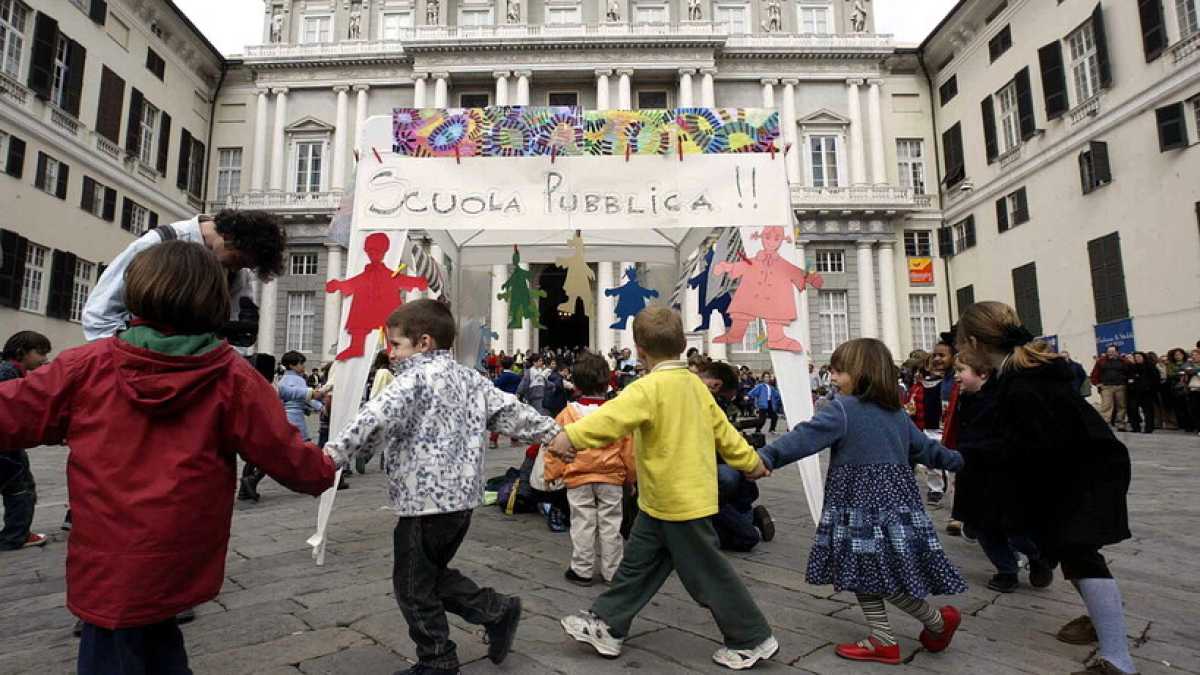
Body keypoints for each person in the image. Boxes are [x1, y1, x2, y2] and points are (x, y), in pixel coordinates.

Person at [0, 241, 337, 672]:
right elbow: (286, 455)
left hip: (107, 551)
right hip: (181, 551)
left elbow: (13, 413)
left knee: (115, 644)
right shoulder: (232, 376)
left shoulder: (86, 367)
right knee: (158, 636)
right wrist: (326, 466)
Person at [322, 299, 560, 675]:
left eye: (396, 344)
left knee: (412, 586)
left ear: (424, 342)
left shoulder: (411, 381)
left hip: (424, 503)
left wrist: (329, 458)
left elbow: (372, 421)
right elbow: (512, 412)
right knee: (428, 575)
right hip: (461, 503)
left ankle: (438, 658)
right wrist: (553, 433)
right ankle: (496, 610)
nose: (390, 352)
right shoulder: (471, 379)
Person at [548, 307, 778, 671]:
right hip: (665, 500)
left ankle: (751, 636)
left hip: (676, 501)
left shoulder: (647, 388)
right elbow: (725, 433)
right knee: (637, 566)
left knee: (707, 575)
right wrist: (751, 463)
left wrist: (570, 436)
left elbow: (610, 419)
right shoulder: (697, 387)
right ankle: (608, 624)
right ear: (683, 344)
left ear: (639, 350)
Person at [756, 338, 964, 665]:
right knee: (871, 570)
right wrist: (960, 461)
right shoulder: (896, 414)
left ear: (861, 373)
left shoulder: (842, 409)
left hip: (858, 507)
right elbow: (927, 450)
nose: (833, 378)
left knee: (866, 571)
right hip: (899, 507)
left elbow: (803, 438)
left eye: (839, 371)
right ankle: (906, 630)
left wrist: (766, 457)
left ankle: (929, 622)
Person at [957, 301, 1137, 675]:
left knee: (1080, 555)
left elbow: (1033, 445)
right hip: (1077, 472)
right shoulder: (1019, 375)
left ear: (974, 342)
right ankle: (1101, 618)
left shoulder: (1024, 383)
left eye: (960, 344)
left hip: (1083, 476)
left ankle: (1117, 660)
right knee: (1071, 553)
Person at [82, 210, 285, 344]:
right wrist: (131, 355)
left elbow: (231, 335)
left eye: (246, 266)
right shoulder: (155, 244)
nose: (237, 268)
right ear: (229, 237)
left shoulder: (235, 272)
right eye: (238, 260)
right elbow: (99, 315)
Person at [948, 348, 1052, 593]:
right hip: (973, 474)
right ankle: (1006, 570)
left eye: (961, 370)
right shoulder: (965, 398)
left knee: (1014, 529)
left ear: (982, 374)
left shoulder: (1000, 399)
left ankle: (1037, 556)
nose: (956, 376)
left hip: (1001, 475)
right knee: (983, 528)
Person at [544, 353, 636, 586]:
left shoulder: (567, 414)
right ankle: (612, 571)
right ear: (607, 383)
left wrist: (552, 473)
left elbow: (556, 446)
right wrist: (632, 478)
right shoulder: (616, 413)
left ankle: (582, 569)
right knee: (611, 524)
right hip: (611, 477)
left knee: (582, 523)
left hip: (578, 476)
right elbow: (629, 448)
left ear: (575, 385)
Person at [699, 360, 775, 551]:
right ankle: (747, 523)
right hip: (696, 471)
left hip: (713, 462)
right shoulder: (699, 399)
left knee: (742, 479)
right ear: (715, 385)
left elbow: (723, 435)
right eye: (725, 398)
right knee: (730, 478)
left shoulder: (708, 398)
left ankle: (747, 520)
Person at [0, 331, 52, 551]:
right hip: (6, 445)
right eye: (40, 353)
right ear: (22, 353)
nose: (45, 359)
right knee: (20, 489)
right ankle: (15, 536)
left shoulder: (9, 370)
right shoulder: (9, 374)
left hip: (8, 443)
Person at [906, 339, 959, 506]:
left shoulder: (954, 381)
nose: (937, 359)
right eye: (934, 355)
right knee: (932, 463)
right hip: (930, 427)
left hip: (945, 428)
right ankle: (936, 489)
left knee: (949, 466)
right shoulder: (923, 385)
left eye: (942, 355)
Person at [1091, 345, 1130, 432]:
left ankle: (1121, 423)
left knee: (1121, 406)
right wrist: (1097, 384)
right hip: (1106, 387)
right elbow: (1094, 374)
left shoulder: (1123, 361)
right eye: (1109, 351)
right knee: (1106, 406)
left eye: (1112, 351)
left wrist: (1126, 382)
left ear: (1117, 352)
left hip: (1120, 386)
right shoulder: (1101, 361)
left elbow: (1129, 372)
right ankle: (1105, 424)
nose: (1110, 353)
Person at [1126, 352, 1160, 434]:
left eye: (1139, 357)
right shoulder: (1132, 367)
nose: (1137, 358)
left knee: (1147, 410)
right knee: (1133, 409)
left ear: (1143, 357)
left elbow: (1155, 379)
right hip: (1134, 392)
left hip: (1147, 392)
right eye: (1135, 357)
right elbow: (1129, 378)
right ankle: (1135, 427)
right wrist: (1131, 385)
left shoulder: (1150, 366)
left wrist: (1150, 388)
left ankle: (1149, 428)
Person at [1164, 348, 1195, 431]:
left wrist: (1184, 373)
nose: (1178, 356)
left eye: (1180, 354)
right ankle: (1185, 425)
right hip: (1176, 388)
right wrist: (1182, 373)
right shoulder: (1171, 365)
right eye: (1176, 355)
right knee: (1180, 407)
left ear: (1183, 355)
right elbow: (1170, 374)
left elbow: (1192, 372)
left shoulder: (1189, 363)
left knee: (1190, 407)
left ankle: (1192, 424)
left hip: (1189, 387)